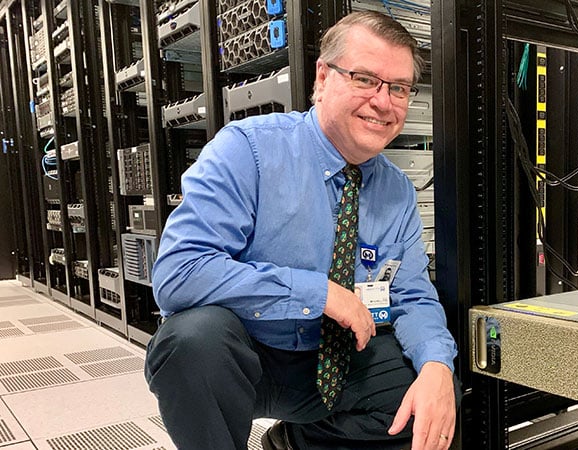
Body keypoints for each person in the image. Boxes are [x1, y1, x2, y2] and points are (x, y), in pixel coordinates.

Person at [144, 10, 460, 450]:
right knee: (192, 342)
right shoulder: (249, 149)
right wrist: (317, 292)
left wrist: (437, 365)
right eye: (365, 79)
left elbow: (412, 295)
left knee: (429, 397)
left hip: (336, 359)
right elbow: (179, 273)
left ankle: (296, 441)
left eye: (399, 88)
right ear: (323, 78)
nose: (383, 102)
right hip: (246, 355)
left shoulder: (396, 191)